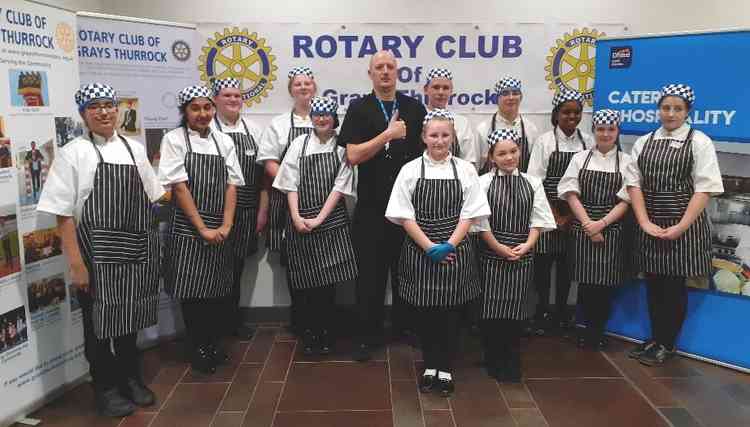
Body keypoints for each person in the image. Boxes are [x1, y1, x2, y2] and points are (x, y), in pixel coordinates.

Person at [37, 83, 164, 417]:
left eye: (109, 105)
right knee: (97, 326)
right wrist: (76, 264)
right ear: (83, 114)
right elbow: (63, 214)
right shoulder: (73, 152)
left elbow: (153, 196)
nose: (104, 112)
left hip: (136, 250)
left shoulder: (134, 149)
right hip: (97, 255)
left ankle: (130, 379)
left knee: (129, 319)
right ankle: (105, 387)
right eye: (95, 107)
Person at [386, 109, 490, 396]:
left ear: (453, 137)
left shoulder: (466, 170)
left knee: (449, 314)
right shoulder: (409, 170)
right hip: (421, 251)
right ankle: (430, 365)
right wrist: (430, 247)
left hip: (455, 250)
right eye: (434, 135)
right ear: (423, 137)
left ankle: (444, 367)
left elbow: (470, 215)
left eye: (445, 135)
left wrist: (448, 245)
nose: (440, 140)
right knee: (426, 313)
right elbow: (403, 215)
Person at [624, 84, 723, 366]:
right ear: (659, 109)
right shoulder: (645, 141)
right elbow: (633, 184)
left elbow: (704, 189)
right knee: (654, 283)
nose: (670, 114)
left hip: (684, 223)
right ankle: (655, 338)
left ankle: (668, 343)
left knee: (674, 286)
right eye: (666, 108)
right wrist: (643, 221)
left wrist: (681, 226)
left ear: (687, 111)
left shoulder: (699, 141)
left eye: (677, 109)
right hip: (651, 222)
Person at [339, 50, 427, 360]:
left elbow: (425, 156)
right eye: (380, 67)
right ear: (371, 73)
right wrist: (387, 134)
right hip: (372, 207)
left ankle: (407, 328)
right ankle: (368, 335)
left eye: (390, 67)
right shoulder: (359, 108)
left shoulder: (414, 108)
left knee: (408, 271)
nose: (386, 72)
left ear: (398, 72)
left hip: (408, 208)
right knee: (371, 276)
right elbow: (352, 155)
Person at [159, 85, 245, 374]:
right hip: (188, 228)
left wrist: (227, 224)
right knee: (193, 293)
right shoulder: (173, 139)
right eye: (195, 108)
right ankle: (198, 347)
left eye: (207, 107)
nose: (202, 113)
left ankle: (212, 343)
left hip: (220, 226)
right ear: (184, 110)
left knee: (217, 290)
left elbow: (232, 184)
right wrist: (202, 228)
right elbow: (179, 188)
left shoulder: (224, 142)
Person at [273, 96, 357, 355]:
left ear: (335, 118)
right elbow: (289, 183)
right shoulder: (299, 144)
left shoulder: (342, 147)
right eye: (317, 115)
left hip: (330, 223)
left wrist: (319, 219)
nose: (322, 119)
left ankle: (327, 334)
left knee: (328, 286)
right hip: (300, 222)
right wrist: (297, 218)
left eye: (327, 115)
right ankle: (309, 335)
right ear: (311, 118)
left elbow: (340, 188)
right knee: (305, 285)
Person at [474, 128, 555, 382]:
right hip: (491, 254)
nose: (509, 157)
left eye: (513, 151)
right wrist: (498, 247)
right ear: (491, 156)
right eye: (502, 153)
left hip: (522, 254)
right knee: (491, 309)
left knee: (516, 310)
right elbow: (479, 222)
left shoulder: (533, 182)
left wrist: (528, 244)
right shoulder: (482, 182)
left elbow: (539, 219)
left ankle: (510, 360)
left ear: (520, 151)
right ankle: (492, 357)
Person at [558, 109, 632, 349]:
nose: (606, 134)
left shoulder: (628, 161)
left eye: (611, 129)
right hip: (583, 225)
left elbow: (627, 199)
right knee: (586, 283)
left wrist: (601, 224)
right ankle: (584, 330)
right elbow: (570, 193)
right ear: (594, 131)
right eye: (601, 129)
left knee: (605, 285)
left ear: (618, 131)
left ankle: (597, 331)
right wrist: (589, 224)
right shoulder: (580, 158)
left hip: (613, 228)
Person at [527, 88, 593, 335]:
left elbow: (589, 181)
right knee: (543, 266)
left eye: (577, 112)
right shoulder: (544, 141)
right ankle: (543, 311)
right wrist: (555, 215)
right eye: (566, 112)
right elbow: (535, 181)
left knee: (567, 266)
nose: (572, 117)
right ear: (556, 114)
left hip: (576, 212)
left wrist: (571, 215)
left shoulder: (588, 141)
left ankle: (564, 312)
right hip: (547, 211)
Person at [210, 77, 268, 340]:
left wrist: (262, 210)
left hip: (246, 210)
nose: (233, 100)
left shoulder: (254, 129)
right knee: (214, 269)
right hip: (213, 212)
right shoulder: (206, 129)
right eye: (227, 96)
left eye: (237, 96)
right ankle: (215, 324)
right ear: (215, 100)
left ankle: (232, 321)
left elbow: (265, 177)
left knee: (237, 268)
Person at [258, 66, 315, 334]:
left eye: (307, 83)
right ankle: (300, 317)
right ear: (291, 90)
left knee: (323, 260)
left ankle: (320, 318)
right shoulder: (279, 124)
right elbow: (269, 162)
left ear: (314, 88)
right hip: (285, 199)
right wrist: (293, 185)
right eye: (297, 84)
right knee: (293, 262)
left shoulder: (327, 119)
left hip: (322, 204)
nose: (303, 88)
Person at [477, 77, 539, 173]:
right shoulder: (483, 128)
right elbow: (477, 164)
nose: (511, 97)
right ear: (497, 98)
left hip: (521, 186)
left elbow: (535, 167)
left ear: (521, 97)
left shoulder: (530, 128)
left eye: (515, 93)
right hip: (490, 186)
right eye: (505, 93)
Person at [423, 68, 479, 168]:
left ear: (451, 91)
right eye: (436, 87)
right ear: (426, 90)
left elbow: (469, 160)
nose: (441, 92)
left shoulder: (462, 122)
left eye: (445, 88)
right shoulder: (418, 116)